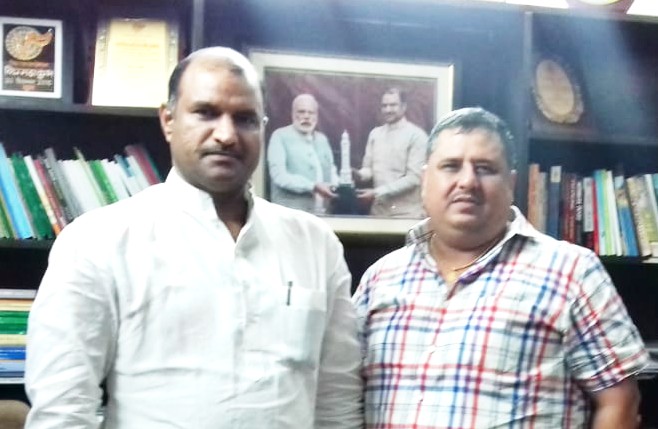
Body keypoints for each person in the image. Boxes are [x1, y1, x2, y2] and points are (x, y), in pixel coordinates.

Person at [25, 47, 363, 428]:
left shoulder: (316, 245)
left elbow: (337, 402)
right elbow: (62, 410)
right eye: (206, 113)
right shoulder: (97, 241)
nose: (226, 135)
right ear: (168, 120)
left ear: (263, 128)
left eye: (245, 119)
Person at [353, 107, 648, 428]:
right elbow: (343, 391)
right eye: (451, 166)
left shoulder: (572, 272)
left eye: (485, 169)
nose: (467, 181)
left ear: (510, 183)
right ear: (425, 181)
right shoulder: (380, 279)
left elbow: (620, 402)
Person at [354, 87, 427, 218]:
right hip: (379, 212)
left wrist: (376, 193)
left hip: (406, 214)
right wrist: (358, 175)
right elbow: (368, 169)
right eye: (384, 106)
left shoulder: (417, 136)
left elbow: (414, 178)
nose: (388, 110)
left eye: (393, 105)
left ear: (403, 107)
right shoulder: (375, 134)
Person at [267, 93, 338, 214]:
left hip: (323, 214)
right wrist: (312, 186)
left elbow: (331, 169)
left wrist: (336, 185)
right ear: (293, 114)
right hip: (290, 215)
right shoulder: (280, 136)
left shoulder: (322, 139)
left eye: (311, 113)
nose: (306, 116)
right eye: (301, 112)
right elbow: (279, 176)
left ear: (316, 116)